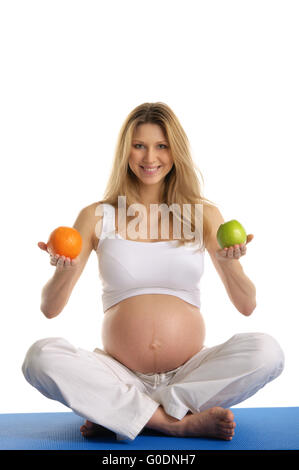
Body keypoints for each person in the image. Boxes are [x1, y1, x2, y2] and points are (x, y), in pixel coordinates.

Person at [22, 102, 284, 442]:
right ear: (125, 151)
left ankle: (124, 413)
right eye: (139, 145)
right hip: (119, 374)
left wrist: (231, 262)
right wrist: (62, 270)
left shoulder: (203, 214)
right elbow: (49, 309)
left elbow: (247, 305)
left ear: (176, 151)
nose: (150, 158)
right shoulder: (97, 216)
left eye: (161, 146)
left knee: (268, 352)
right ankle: (175, 422)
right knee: (40, 357)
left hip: (190, 374)